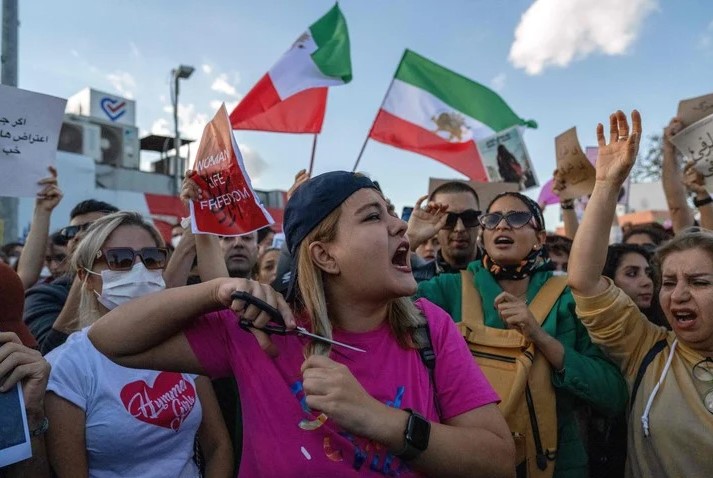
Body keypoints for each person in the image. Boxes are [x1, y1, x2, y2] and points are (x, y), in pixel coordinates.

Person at [88, 171, 515, 478]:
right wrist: (216, 289)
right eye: (372, 217)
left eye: (390, 213)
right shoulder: (260, 331)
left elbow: (496, 460)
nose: (400, 224)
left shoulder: (429, 327)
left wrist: (379, 420)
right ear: (325, 256)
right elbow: (110, 340)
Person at [416, 190, 628, 477]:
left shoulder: (569, 297)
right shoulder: (448, 289)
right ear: (484, 235)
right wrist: (411, 239)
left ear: (540, 239)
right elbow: (382, 302)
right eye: (492, 219)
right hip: (467, 462)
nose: (502, 226)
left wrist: (541, 338)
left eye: (516, 218)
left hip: (557, 465)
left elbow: (613, 394)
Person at [568, 109, 713, 477]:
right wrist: (605, 186)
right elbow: (585, 281)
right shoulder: (646, 350)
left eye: (698, 283)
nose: (677, 295)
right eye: (668, 282)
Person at [43, 211, 232, 478]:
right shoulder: (66, 366)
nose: (139, 269)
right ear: (86, 278)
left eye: (152, 258)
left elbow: (218, 446)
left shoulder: (184, 345)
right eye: (120, 260)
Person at [23, 199, 118, 353]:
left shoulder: (141, 287)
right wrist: (88, 264)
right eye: (71, 232)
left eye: (92, 229)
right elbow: (49, 357)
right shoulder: (44, 295)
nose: (79, 236)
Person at [407, 181, 482, 282]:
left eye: (469, 217)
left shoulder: (504, 278)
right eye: (448, 219)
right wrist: (411, 238)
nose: (459, 228)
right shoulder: (414, 281)